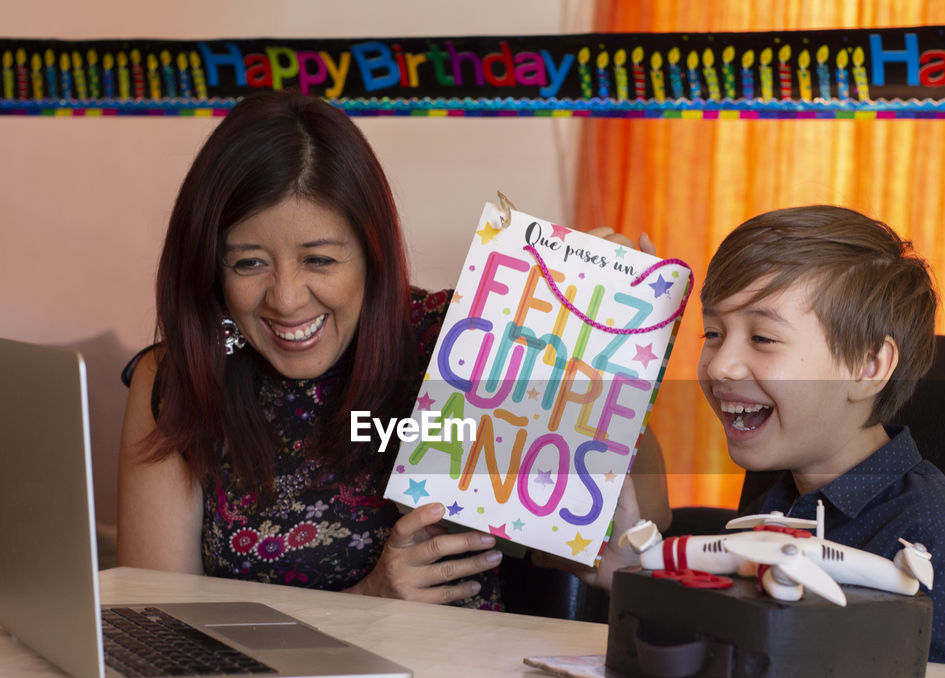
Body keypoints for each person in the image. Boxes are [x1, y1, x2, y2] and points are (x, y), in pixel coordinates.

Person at [118, 89, 667, 609]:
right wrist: (369, 602)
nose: (285, 299)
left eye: (320, 260)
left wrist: (596, 345)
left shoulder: (458, 342)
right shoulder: (180, 377)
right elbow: (160, 619)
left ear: (372, 258)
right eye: (249, 263)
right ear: (212, 267)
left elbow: (631, 529)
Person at [693, 204, 945, 671]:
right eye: (712, 332)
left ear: (868, 367)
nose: (719, 365)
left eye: (763, 338)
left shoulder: (937, 545)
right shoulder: (776, 499)